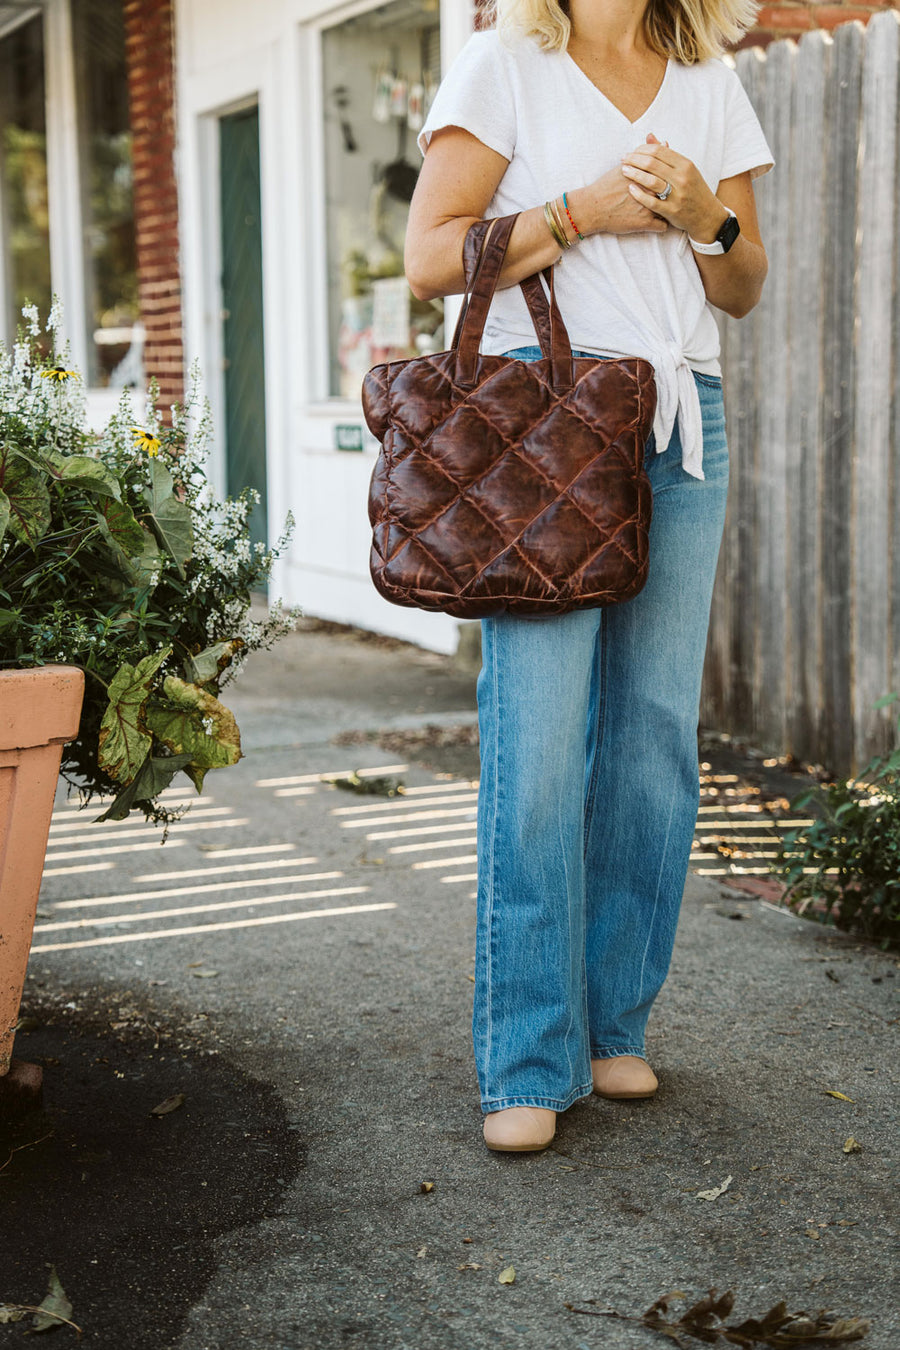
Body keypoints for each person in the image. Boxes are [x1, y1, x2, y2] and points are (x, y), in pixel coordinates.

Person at [404, 0, 774, 1153]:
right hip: (544, 424)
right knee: (539, 738)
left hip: (682, 421)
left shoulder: (706, 74)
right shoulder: (505, 64)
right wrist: (579, 213)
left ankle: (616, 1023)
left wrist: (708, 216)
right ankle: (527, 1056)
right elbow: (429, 259)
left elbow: (744, 283)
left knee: (656, 737)